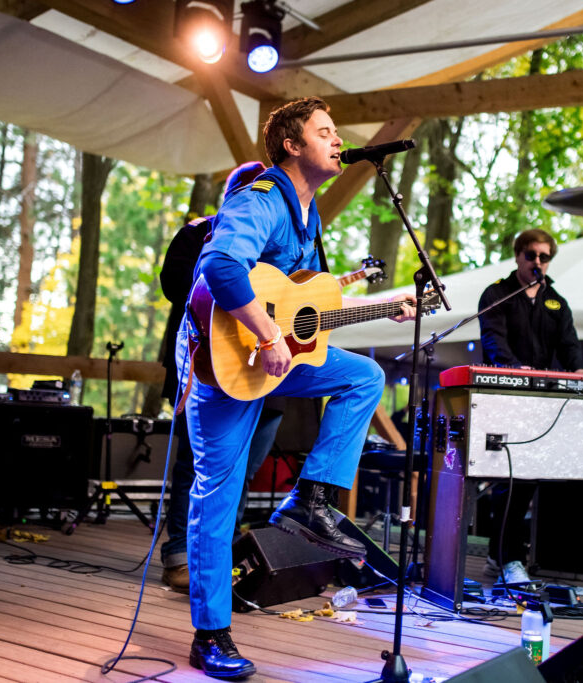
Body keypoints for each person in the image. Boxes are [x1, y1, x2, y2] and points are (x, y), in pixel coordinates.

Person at [178, 96, 415, 679]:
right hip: (226, 361)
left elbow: (301, 305)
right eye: (326, 131)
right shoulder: (259, 198)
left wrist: (387, 305)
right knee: (219, 497)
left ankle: (310, 499)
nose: (339, 140)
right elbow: (223, 268)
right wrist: (264, 334)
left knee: (364, 375)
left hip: (275, 355)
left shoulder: (309, 215)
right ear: (292, 144)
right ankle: (211, 634)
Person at [158, 162, 288, 592]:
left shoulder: (284, 240)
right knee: (194, 466)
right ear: (236, 197)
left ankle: (220, 557)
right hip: (207, 363)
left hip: (264, 373)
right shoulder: (199, 232)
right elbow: (177, 284)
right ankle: (181, 555)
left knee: (245, 470)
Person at [476, 228, 583, 587]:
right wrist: (512, 367)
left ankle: (500, 556)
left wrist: (578, 369)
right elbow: (493, 341)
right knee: (509, 478)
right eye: (531, 256)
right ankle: (508, 558)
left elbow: (570, 347)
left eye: (544, 257)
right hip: (505, 397)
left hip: (541, 403)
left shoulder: (557, 301)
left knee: (527, 477)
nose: (538, 262)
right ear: (518, 257)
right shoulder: (497, 294)